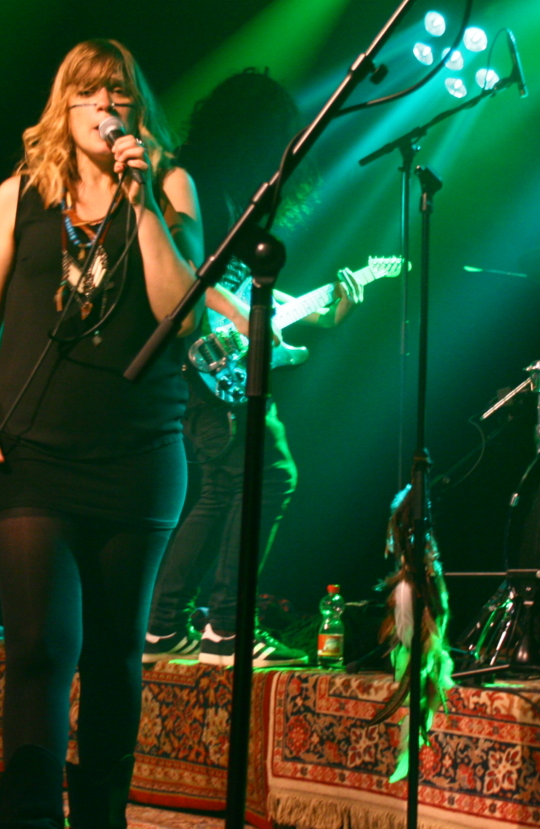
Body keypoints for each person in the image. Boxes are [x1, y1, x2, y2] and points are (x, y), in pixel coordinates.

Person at [0, 39, 202, 829]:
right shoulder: (20, 195)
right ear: (64, 106)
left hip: (138, 454)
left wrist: (142, 204)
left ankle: (101, 821)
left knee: (115, 653)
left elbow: (182, 316)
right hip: (31, 455)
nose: (105, 106)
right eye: (88, 92)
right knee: (40, 648)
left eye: (118, 93)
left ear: (137, 108)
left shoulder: (170, 186)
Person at [140, 69, 362, 668]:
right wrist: (236, 317)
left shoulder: (236, 197)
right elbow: (187, 273)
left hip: (212, 363)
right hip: (198, 359)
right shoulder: (195, 184)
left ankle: (164, 627)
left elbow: (242, 289)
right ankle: (226, 629)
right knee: (272, 475)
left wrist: (321, 313)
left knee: (223, 487)